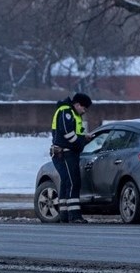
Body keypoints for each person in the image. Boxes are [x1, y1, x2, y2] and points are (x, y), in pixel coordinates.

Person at [50, 92, 93, 223]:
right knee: (74, 182)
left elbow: (72, 133)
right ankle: (74, 215)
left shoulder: (71, 113)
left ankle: (64, 214)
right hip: (66, 153)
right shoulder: (66, 111)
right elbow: (68, 133)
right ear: (77, 104)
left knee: (66, 182)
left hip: (64, 152)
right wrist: (80, 142)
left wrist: (83, 137)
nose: (84, 111)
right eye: (84, 108)